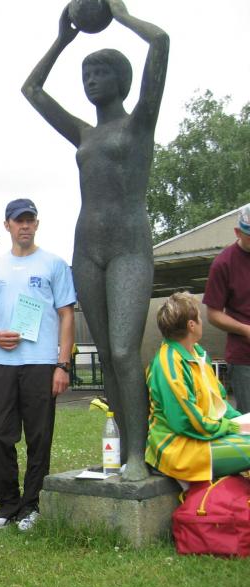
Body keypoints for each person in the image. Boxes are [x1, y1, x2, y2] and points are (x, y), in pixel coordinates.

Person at [22, 0, 168, 481]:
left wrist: (120, 16)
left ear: (122, 80)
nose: (91, 80)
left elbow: (161, 42)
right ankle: (122, 453)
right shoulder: (84, 133)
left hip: (129, 246)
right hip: (87, 246)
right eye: (86, 74)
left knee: (125, 352)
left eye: (100, 72)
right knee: (105, 354)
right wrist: (62, 40)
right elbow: (31, 90)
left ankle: (137, 457)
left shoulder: (139, 122)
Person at [0, 199, 75, 531]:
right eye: (19, 221)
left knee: (39, 436)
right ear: (7, 225)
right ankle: (7, 504)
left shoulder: (54, 264)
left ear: (37, 224)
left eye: (30, 220)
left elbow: (66, 314)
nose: (25, 226)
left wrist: (62, 364)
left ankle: (31, 506)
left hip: (41, 363)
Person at [146, 292, 250, 482]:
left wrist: (241, 421)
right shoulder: (169, 364)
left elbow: (218, 402)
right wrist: (232, 426)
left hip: (203, 438)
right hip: (180, 449)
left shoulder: (197, 353)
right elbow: (188, 422)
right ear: (191, 325)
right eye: (200, 318)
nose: (202, 321)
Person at [203, 204, 250, 414]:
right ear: (238, 232)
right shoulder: (223, 263)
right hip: (244, 359)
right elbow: (213, 314)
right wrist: (245, 329)